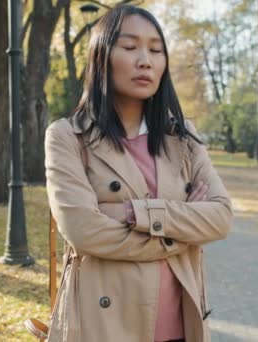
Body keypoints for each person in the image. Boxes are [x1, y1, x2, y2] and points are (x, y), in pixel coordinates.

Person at [44, 5, 232, 342]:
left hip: (181, 326)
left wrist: (137, 213)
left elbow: (219, 217)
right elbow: (84, 232)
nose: (145, 60)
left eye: (156, 50)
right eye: (130, 47)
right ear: (101, 56)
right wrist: (186, 226)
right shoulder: (68, 137)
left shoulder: (183, 138)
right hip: (102, 328)